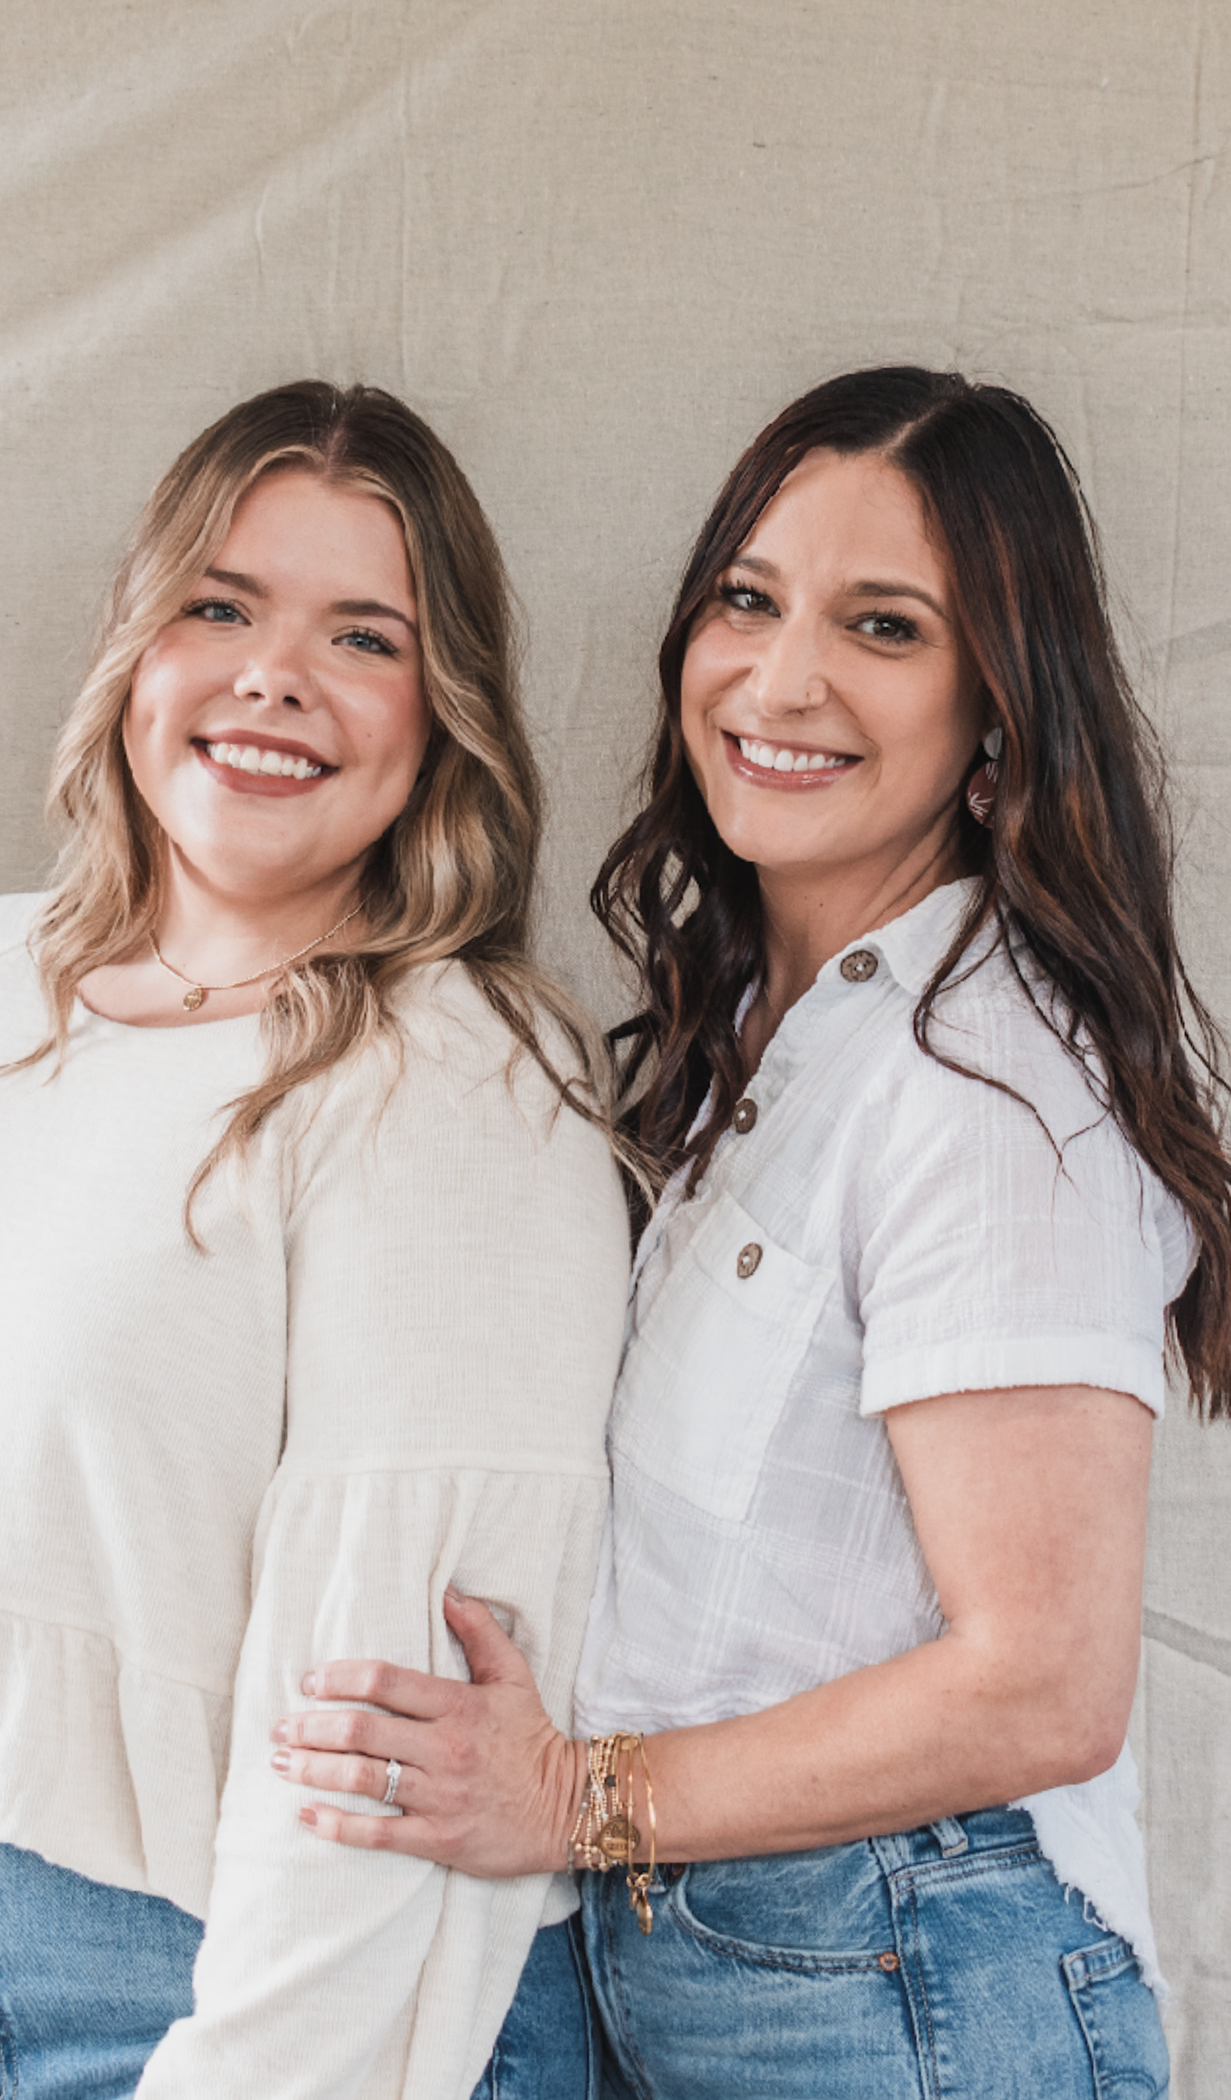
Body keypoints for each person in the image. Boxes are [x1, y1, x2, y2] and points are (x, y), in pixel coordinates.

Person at [0, 380, 631, 2100]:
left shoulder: (458, 1073)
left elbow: (393, 1713)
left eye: (361, 637)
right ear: (134, 646)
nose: (272, 676)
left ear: (441, 717)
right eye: (220, 607)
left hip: (213, 1992)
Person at [273, 367, 1231, 2097]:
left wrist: (572, 1797)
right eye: (746, 598)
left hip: (909, 1984)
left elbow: (1040, 1683)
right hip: (744, 1971)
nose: (780, 681)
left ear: (997, 711)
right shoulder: (770, 1045)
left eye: (882, 627)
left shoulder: (987, 1087)